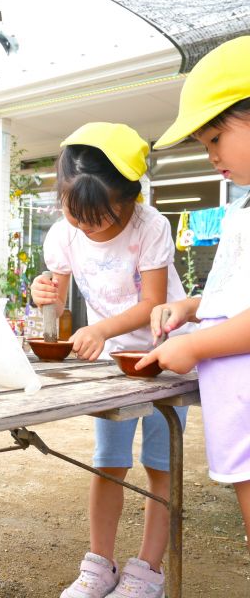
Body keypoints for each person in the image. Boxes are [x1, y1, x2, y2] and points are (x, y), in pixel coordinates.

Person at [30, 122, 189, 598]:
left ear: (129, 201)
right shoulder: (64, 234)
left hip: (165, 355)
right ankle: (99, 564)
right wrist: (43, 296)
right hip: (115, 364)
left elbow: (152, 304)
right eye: (74, 214)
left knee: (161, 464)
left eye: (96, 218)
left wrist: (99, 328)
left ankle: (147, 572)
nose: (84, 226)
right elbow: (53, 310)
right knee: (108, 463)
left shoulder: (150, 226)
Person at [137, 36, 250, 552]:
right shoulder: (241, 211)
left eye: (215, 140)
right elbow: (235, 291)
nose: (210, 157)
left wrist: (195, 346)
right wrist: (191, 307)